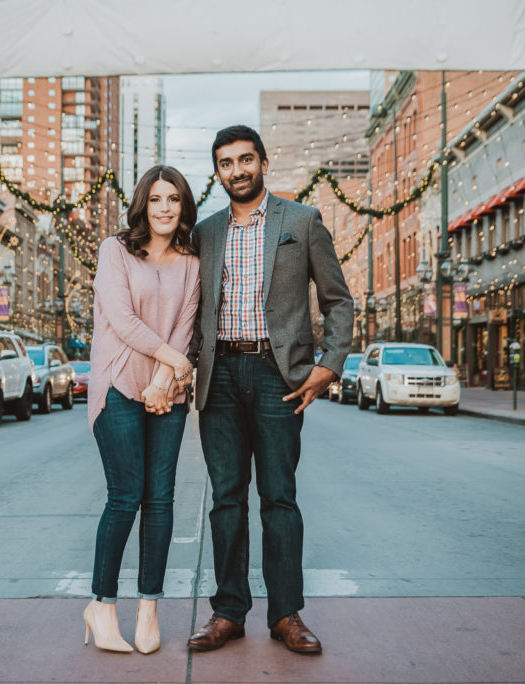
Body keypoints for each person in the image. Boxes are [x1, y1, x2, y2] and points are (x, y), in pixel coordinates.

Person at [186, 125, 354, 654]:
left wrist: (329, 365)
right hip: (219, 376)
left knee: (279, 496)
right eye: (226, 163)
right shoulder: (205, 233)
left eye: (245, 159)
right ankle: (228, 612)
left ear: (263, 162)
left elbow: (338, 301)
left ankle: (286, 614)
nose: (236, 170)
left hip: (277, 376)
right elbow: (190, 310)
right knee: (226, 500)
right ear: (217, 172)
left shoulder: (301, 221)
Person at [84, 165, 200, 654]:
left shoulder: (192, 260)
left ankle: (148, 607)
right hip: (115, 385)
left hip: (164, 390)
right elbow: (122, 318)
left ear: (184, 205)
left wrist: (163, 381)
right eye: (155, 199)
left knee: (161, 499)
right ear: (142, 204)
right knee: (125, 496)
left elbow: (186, 324)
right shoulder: (115, 250)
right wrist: (175, 363)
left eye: (173, 199)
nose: (165, 208)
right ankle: (102, 606)